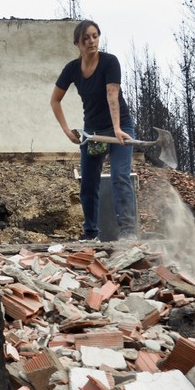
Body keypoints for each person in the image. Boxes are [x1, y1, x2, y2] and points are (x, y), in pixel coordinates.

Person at [50, 20, 137, 240]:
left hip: (120, 129)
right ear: (77, 43)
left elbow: (112, 95)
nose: (92, 41)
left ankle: (128, 232)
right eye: (86, 38)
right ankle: (90, 234)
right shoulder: (72, 69)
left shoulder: (109, 62)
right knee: (88, 183)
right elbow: (55, 100)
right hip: (93, 133)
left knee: (120, 176)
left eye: (95, 36)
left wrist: (117, 128)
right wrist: (66, 130)